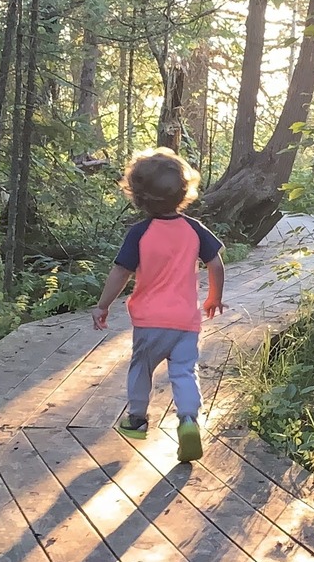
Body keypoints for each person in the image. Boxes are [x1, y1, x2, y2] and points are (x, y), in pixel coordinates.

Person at [91, 148, 223, 463]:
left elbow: (121, 271)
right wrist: (213, 296)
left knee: (141, 367)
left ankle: (137, 420)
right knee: (184, 372)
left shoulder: (139, 233)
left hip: (150, 322)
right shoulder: (194, 229)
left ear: (139, 196)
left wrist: (102, 305)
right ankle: (189, 420)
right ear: (183, 192)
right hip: (185, 321)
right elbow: (215, 263)